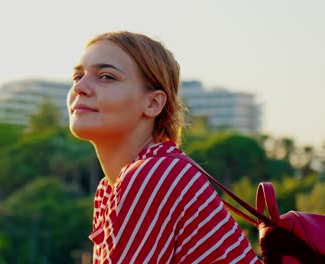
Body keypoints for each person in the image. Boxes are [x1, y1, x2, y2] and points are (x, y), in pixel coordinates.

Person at [67, 31, 261, 264]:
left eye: (107, 77)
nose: (81, 87)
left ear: (153, 103)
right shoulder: (109, 189)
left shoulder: (154, 175)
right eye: (78, 76)